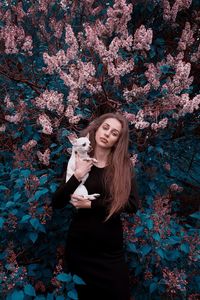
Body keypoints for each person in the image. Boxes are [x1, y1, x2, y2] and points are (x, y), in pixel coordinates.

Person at [52, 112, 139, 300]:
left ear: (117, 140)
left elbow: (132, 205)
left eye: (114, 133)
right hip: (80, 248)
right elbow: (57, 202)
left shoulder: (123, 167)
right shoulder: (78, 160)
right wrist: (78, 175)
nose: (107, 134)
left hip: (110, 251)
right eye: (105, 128)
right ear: (97, 128)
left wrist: (92, 204)